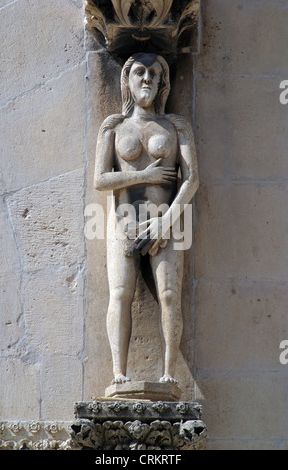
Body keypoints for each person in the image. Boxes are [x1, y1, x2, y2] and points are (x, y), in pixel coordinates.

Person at [94, 53, 199, 385]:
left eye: (155, 73)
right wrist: (145, 177)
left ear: (162, 83)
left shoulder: (175, 126)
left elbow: (191, 179)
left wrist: (166, 221)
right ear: (128, 80)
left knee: (170, 294)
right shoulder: (114, 126)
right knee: (120, 293)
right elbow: (101, 179)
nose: (147, 79)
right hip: (123, 221)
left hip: (166, 221)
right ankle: (118, 374)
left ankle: (168, 373)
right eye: (140, 72)